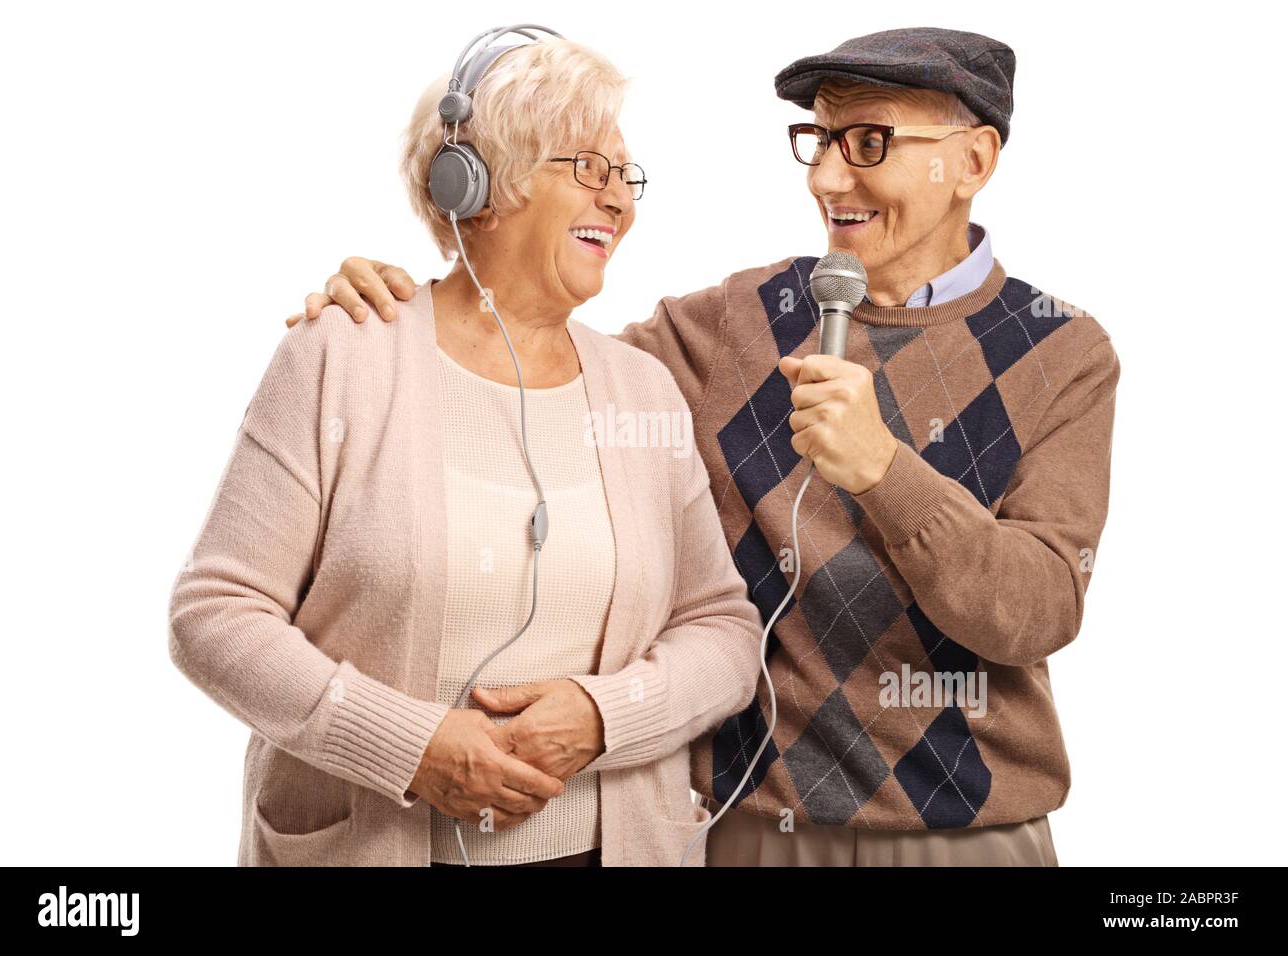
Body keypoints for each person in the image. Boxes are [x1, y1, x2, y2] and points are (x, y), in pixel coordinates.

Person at [294, 27, 1121, 866]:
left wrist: (887, 473)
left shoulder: (1063, 350)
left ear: (973, 162)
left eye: (869, 142)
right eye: (819, 140)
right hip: (749, 831)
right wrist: (398, 306)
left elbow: (1040, 610)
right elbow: (528, 359)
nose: (828, 178)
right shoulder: (738, 322)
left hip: (971, 838)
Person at [168, 34, 763, 867]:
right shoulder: (342, 355)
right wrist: (411, 748)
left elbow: (723, 629)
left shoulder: (642, 390)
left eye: (625, 178)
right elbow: (214, 616)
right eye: (590, 168)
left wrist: (605, 715)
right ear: (478, 184)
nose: (622, 203)